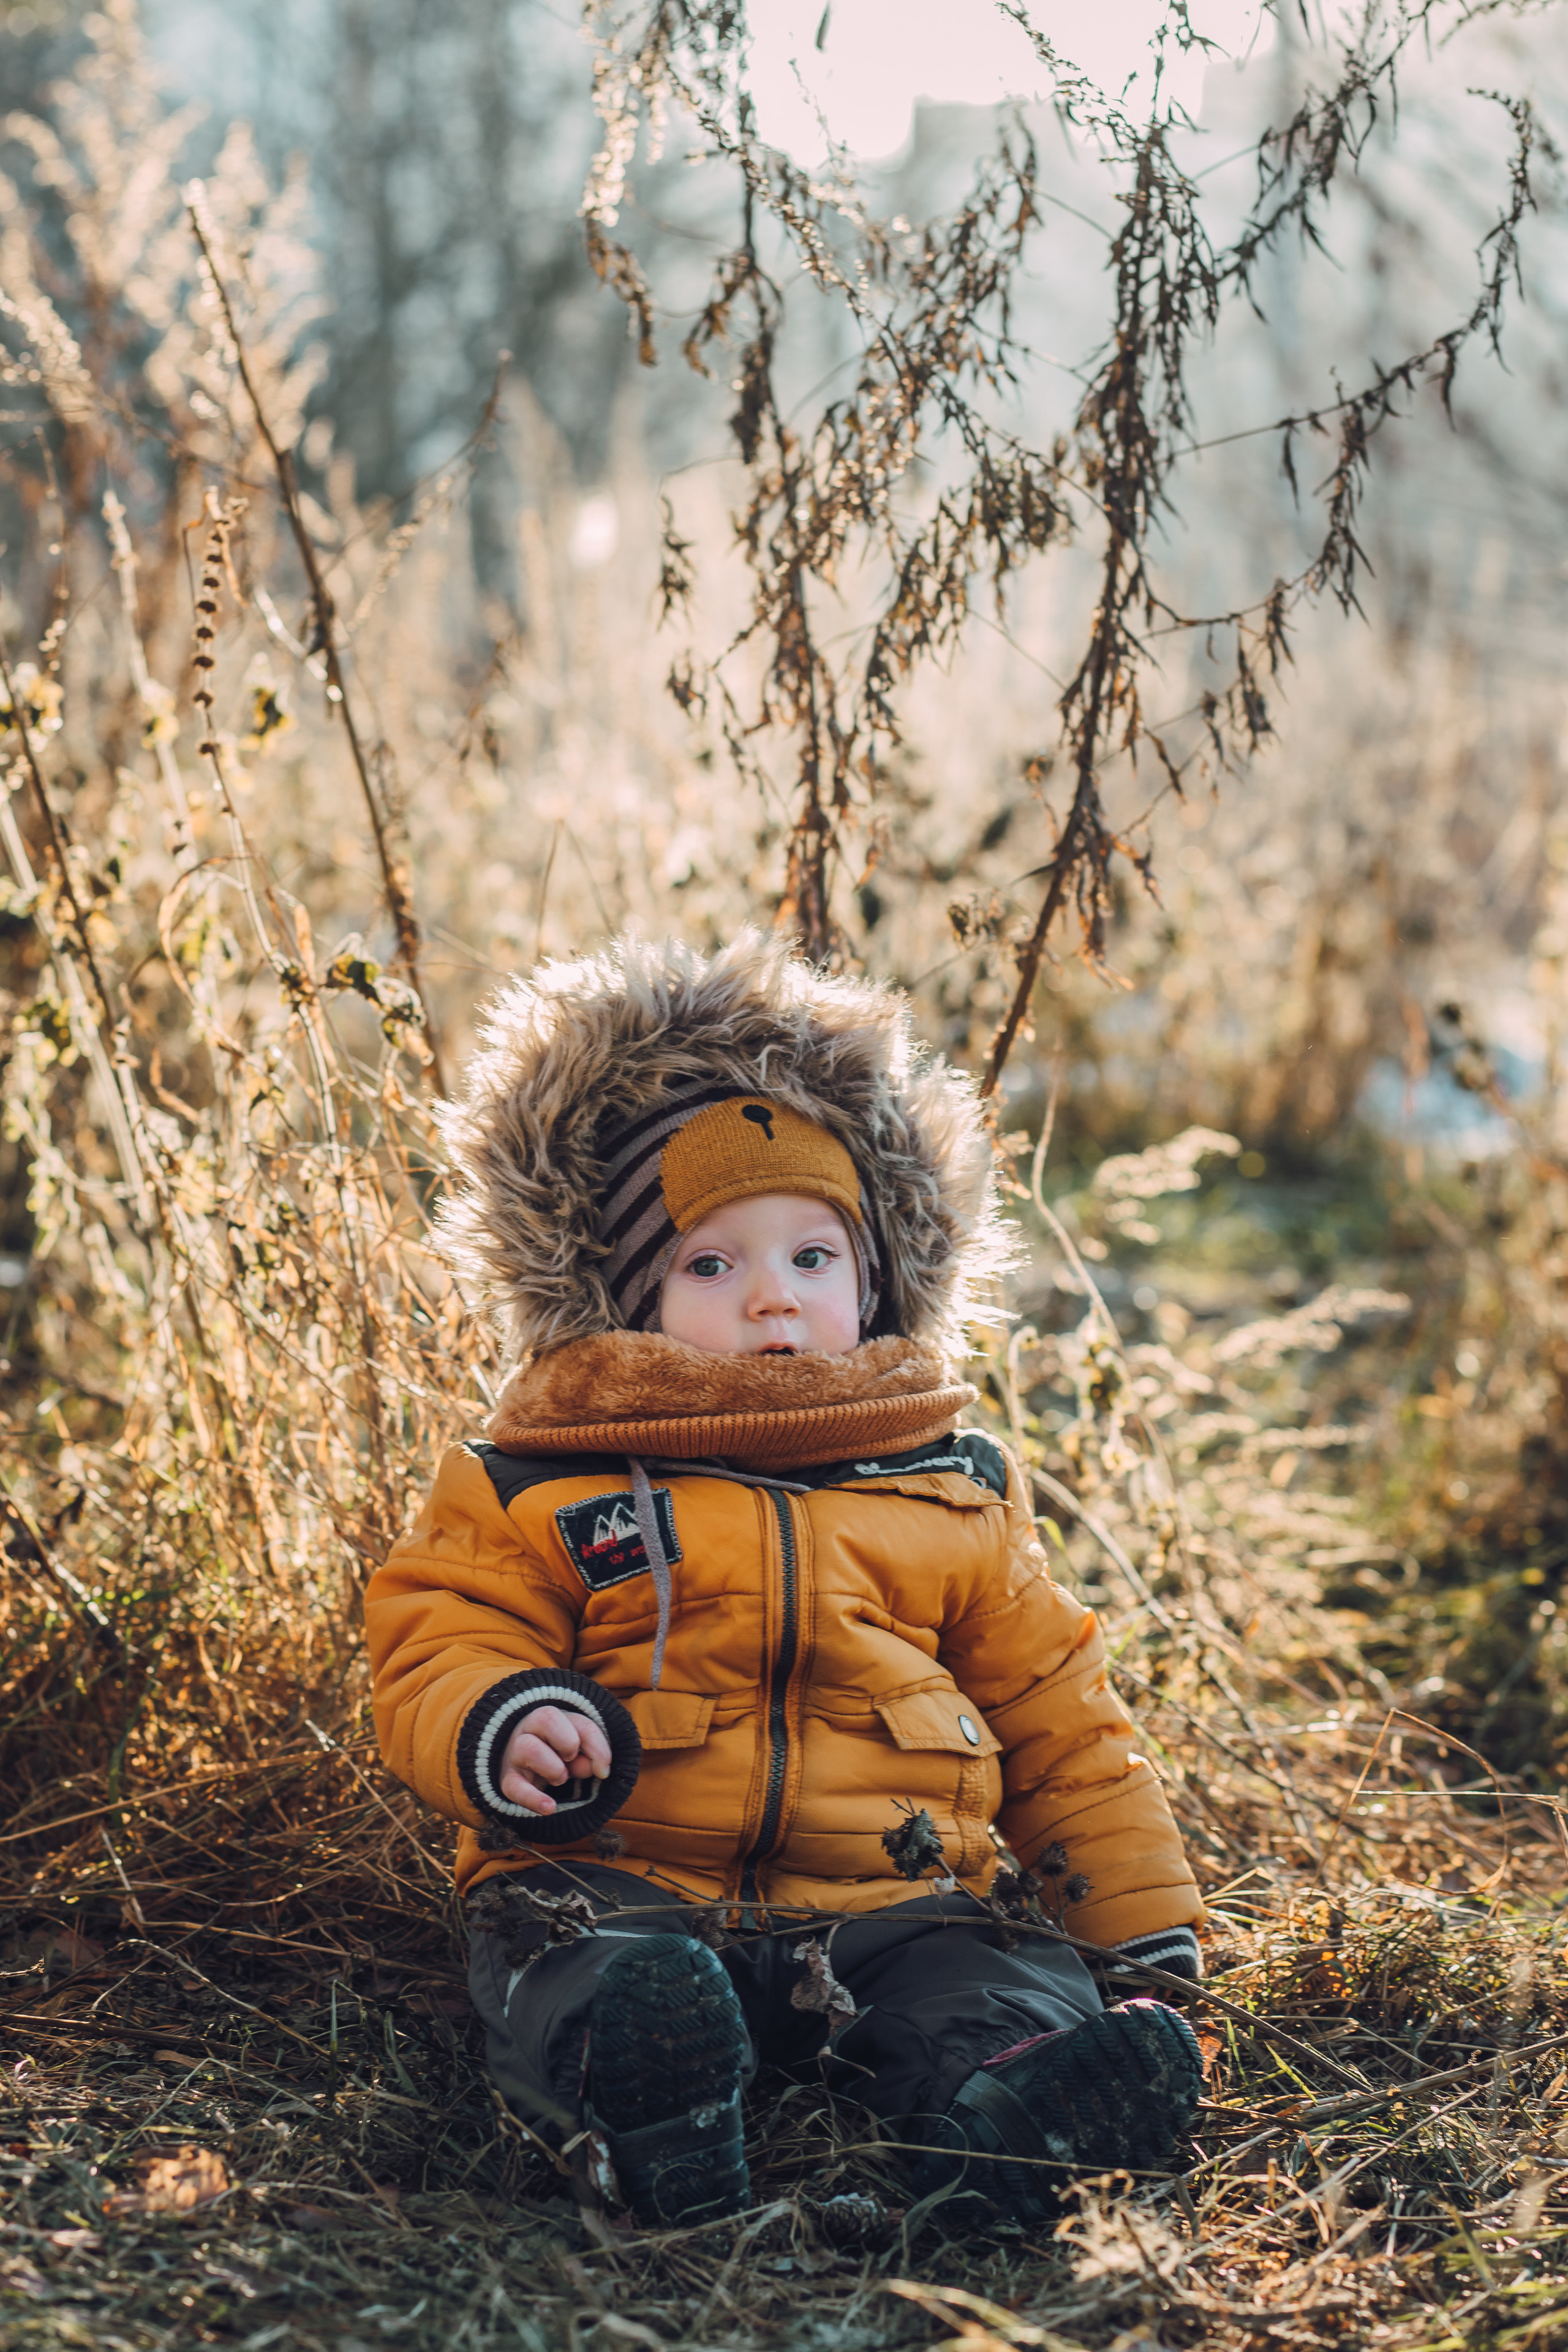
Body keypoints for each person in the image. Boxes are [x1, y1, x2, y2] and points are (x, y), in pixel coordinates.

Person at [365, 933, 1207, 2229]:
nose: (772, 1301)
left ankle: (1016, 2116)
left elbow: (1060, 1718)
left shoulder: (946, 1485)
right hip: (618, 1876)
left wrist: (1138, 1924)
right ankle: (649, 2109)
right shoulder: (537, 1478)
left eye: (811, 1259)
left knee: (991, 1984)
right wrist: (505, 1719)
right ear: (628, 1295)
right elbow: (441, 1638)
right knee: (581, 1973)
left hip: (896, 1894)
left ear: (873, 1281)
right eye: (711, 1265)